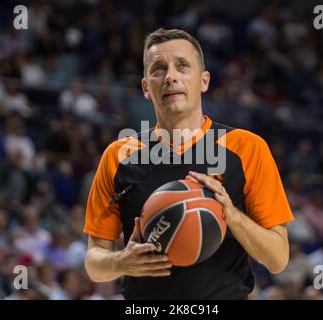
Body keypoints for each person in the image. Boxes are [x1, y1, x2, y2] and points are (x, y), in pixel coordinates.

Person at [84, 28, 294, 299]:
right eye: (159, 68)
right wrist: (120, 262)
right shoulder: (118, 156)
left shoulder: (247, 148)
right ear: (146, 87)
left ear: (204, 81)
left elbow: (277, 258)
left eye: (182, 66)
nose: (170, 76)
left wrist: (231, 215)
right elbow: (93, 261)